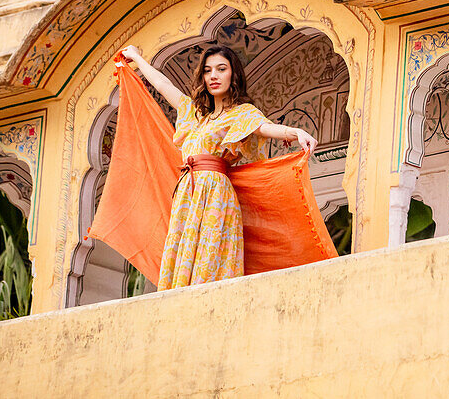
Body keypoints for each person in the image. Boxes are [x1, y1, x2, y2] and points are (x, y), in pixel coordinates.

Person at [118, 44, 317, 289]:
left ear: (233, 75)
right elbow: (163, 85)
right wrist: (137, 57)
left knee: (209, 259)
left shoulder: (241, 113)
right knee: (184, 253)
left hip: (215, 193)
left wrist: (295, 132)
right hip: (186, 193)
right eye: (208, 70)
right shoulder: (193, 112)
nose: (213, 76)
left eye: (221, 69)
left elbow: (264, 127)